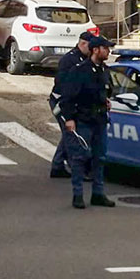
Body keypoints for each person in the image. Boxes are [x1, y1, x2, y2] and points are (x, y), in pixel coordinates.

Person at [58, 35, 117, 209]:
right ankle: (78, 195)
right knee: (80, 157)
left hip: (99, 120)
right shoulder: (79, 71)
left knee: (100, 157)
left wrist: (106, 100)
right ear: (95, 50)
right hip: (83, 119)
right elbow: (67, 97)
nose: (108, 52)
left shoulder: (105, 70)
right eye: (105, 49)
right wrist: (69, 119)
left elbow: (107, 89)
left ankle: (98, 193)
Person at [48, 31, 92, 178]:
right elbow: (61, 84)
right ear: (82, 44)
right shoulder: (70, 60)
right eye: (90, 46)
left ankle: (57, 165)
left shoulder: (84, 58)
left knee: (69, 134)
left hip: (70, 102)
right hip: (61, 101)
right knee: (71, 136)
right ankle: (76, 169)